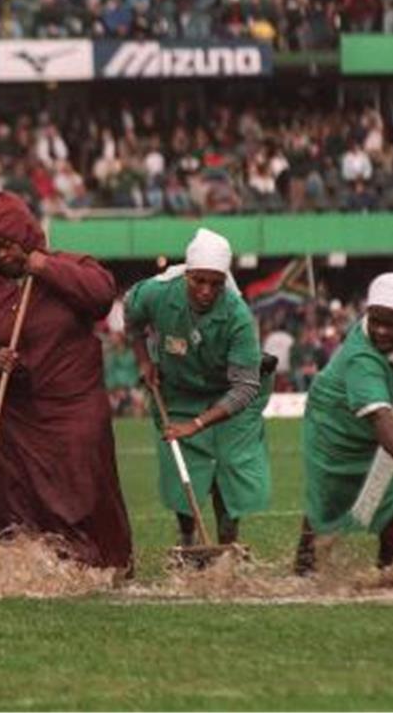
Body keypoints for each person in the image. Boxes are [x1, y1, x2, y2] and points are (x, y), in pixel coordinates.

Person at [0, 192, 133, 572]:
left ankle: (95, 564)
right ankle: (23, 565)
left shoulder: (69, 266)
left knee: (80, 488)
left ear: (29, 237)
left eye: (10, 245)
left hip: (71, 406)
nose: (4, 255)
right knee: (10, 496)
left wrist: (44, 266)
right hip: (12, 412)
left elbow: (102, 295)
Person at [123, 229, 275, 548]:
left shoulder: (239, 317)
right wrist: (143, 361)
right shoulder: (156, 293)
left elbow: (245, 388)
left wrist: (197, 424)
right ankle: (188, 539)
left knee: (230, 463)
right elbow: (132, 317)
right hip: (178, 388)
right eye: (198, 282)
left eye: (216, 284)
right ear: (187, 275)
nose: (206, 291)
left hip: (231, 395)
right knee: (181, 461)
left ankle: (228, 543)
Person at [294, 273, 393, 575]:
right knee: (331, 494)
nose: (380, 330)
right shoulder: (361, 355)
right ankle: (306, 566)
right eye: (375, 320)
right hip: (340, 422)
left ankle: (392, 566)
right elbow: (379, 415)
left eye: (392, 324)